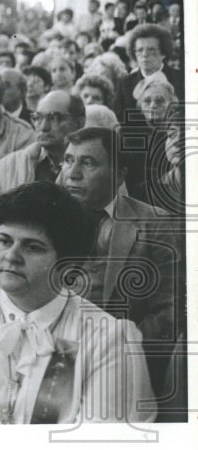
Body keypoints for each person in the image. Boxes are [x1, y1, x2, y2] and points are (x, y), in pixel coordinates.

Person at [0, 182, 155, 425]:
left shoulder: (108, 338)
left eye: (33, 247)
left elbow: (98, 448)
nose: (11, 256)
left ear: (67, 263)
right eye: (4, 240)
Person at [59, 127, 180, 394]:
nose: (73, 173)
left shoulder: (154, 222)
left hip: (123, 365)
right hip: (52, 358)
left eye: (87, 162)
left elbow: (168, 312)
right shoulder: (45, 219)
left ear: (120, 174)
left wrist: (118, 350)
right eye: (68, 160)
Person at [0, 90, 86, 208]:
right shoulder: (8, 165)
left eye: (54, 118)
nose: (43, 127)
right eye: (38, 117)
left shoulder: (93, 167)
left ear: (79, 123)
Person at [114, 24, 183, 123]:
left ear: (163, 53)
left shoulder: (180, 79)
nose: (144, 54)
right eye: (139, 50)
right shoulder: (125, 84)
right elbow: (120, 122)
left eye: (151, 50)